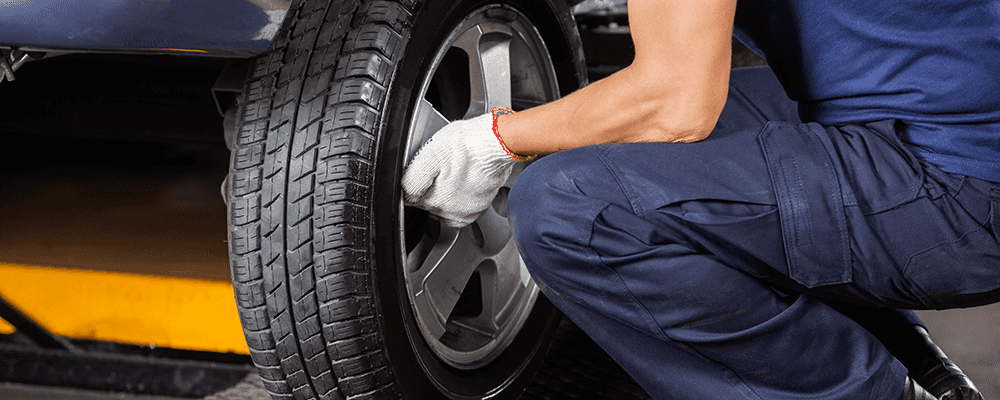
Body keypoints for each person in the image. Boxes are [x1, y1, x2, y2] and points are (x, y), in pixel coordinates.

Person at [401, 0, 1000, 398]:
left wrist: (497, 139)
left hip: (961, 190)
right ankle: (922, 368)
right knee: (617, 135)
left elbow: (674, 103)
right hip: (952, 122)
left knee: (573, 206)